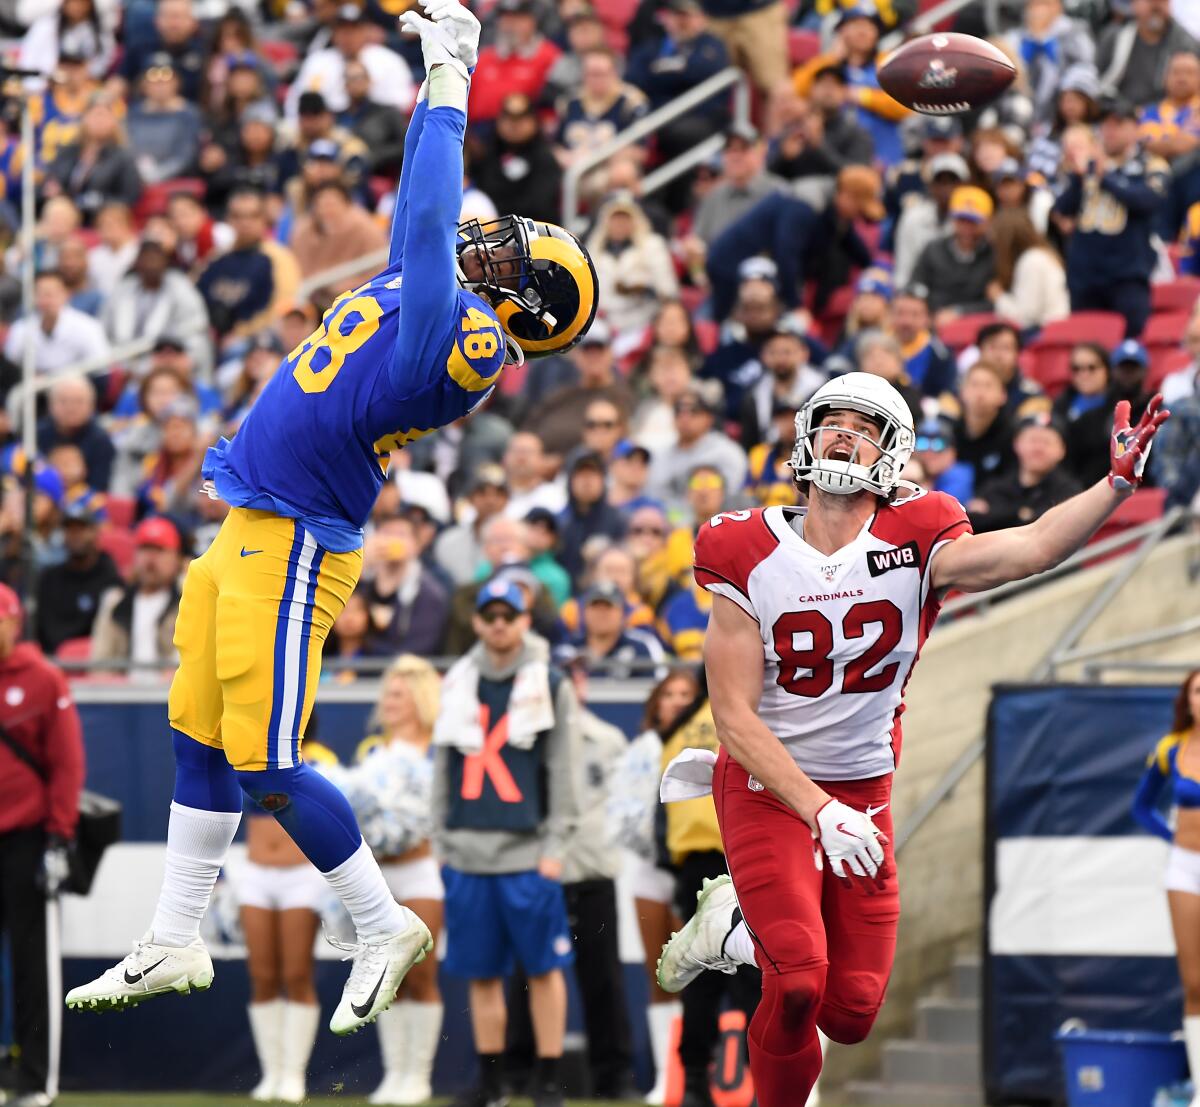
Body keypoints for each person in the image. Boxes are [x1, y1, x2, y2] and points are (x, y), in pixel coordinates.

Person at [65, 1, 598, 1039]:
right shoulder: (431, 286)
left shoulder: (470, 341)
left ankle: (381, 918)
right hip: (249, 525)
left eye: (513, 254)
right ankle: (176, 932)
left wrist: (452, 81)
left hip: (300, 539)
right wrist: (430, 97)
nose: (493, 245)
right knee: (196, 737)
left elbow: (439, 223)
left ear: (526, 305)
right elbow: (421, 207)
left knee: (267, 760)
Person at [653, 371, 1170, 1107]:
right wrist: (815, 809)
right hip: (770, 784)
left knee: (852, 1011)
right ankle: (743, 939)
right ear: (804, 433)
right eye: (833, 420)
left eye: (865, 426)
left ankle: (735, 927)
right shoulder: (744, 546)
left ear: (891, 453)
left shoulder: (919, 532)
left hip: (864, 792)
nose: (844, 434)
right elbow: (733, 715)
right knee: (797, 979)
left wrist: (1114, 486)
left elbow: (1026, 548)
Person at [431, 579, 583, 1107]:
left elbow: (565, 770)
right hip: (467, 850)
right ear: (476, 621)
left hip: (526, 850)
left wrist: (555, 848)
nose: (498, 623)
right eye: (489, 615)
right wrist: (442, 843)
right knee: (480, 973)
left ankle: (546, 1080)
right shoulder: (456, 682)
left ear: (524, 620)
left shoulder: (551, 681)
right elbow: (444, 766)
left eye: (508, 615)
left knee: (543, 970)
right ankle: (492, 1082)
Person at [0, 583, 84, 1107]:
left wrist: (58, 835)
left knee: (32, 963)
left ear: (14, 622)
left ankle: (34, 1081)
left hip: (26, 839)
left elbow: (67, 764)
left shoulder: (43, 678)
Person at [353, 657, 446, 1106]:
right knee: (388, 976)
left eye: (397, 695)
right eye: (386, 694)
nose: (387, 703)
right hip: (378, 878)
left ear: (419, 699)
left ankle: (419, 1076)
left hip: (421, 872)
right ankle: (394, 1075)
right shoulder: (374, 754)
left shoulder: (437, 751)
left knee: (421, 973)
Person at [609, 669, 699, 1104]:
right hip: (648, 868)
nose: (678, 701)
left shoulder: (707, 742)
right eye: (670, 694)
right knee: (659, 974)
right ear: (656, 703)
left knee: (697, 974)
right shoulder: (640, 751)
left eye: (686, 693)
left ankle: (698, 1072)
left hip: (690, 868)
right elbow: (622, 810)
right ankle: (667, 1076)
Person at [235, 729, 335, 1105]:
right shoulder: (249, 754)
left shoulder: (320, 760)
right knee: (261, 975)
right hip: (256, 875)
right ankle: (272, 1071)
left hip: (302, 877)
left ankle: (294, 1074)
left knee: (296, 973)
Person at [1133, 670, 1200, 1106]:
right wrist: (1170, 836)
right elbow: (1141, 807)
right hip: (1185, 869)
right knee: (1195, 983)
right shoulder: (1171, 748)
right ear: (1187, 699)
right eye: (1198, 688)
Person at [1053, 98, 1168, 337]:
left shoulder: (1150, 165)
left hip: (1127, 276)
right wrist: (1078, 179)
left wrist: (1107, 179)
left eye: (1118, 124)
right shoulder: (1090, 167)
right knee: (1085, 347)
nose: (1110, 130)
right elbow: (1062, 209)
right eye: (1105, 124)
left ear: (1135, 127)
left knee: (1130, 345)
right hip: (1084, 276)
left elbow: (1148, 201)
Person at [89, 516, 183, 676]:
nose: (151, 558)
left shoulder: (186, 601)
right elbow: (100, 663)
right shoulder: (115, 602)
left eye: (160, 550)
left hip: (171, 694)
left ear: (177, 558)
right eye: (145, 549)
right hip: (123, 695)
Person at [968, 413, 1082, 532]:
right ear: (1016, 444)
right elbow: (974, 521)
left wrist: (997, 514)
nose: (1038, 448)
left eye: (1047, 442)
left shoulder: (1070, 492)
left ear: (1062, 450)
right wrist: (1022, 513)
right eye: (1032, 440)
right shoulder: (995, 487)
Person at [34, 502, 121, 656]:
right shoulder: (49, 578)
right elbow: (39, 628)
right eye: (69, 529)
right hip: (49, 659)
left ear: (95, 532)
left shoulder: (110, 580)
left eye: (81, 529)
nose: (75, 535)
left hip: (90, 664)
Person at [910, 186, 996, 322]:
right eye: (961, 220)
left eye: (973, 222)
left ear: (987, 222)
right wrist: (925, 310)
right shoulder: (934, 249)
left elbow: (995, 302)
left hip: (975, 324)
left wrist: (959, 312)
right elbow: (916, 285)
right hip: (932, 320)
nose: (967, 228)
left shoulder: (993, 255)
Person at [4, 270, 110, 379]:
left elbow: (101, 370)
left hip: (77, 388)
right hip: (34, 391)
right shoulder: (21, 329)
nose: (45, 301)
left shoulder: (88, 327)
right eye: (40, 294)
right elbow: (9, 366)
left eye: (50, 294)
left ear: (66, 294)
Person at [988, 208, 1070, 329]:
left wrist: (999, 297)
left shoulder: (1032, 261)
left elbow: (1026, 318)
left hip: (1047, 333)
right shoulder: (1039, 255)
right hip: (1048, 329)